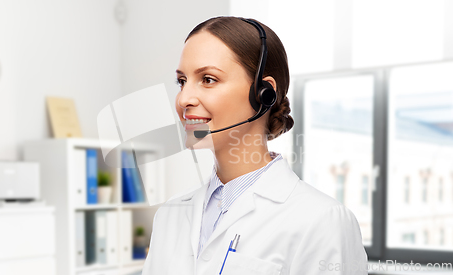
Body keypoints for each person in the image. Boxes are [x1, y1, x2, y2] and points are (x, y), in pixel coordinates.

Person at [142, 16, 368, 275]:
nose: (183, 99)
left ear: (263, 94)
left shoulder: (323, 220)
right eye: (181, 81)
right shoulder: (170, 214)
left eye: (208, 79)